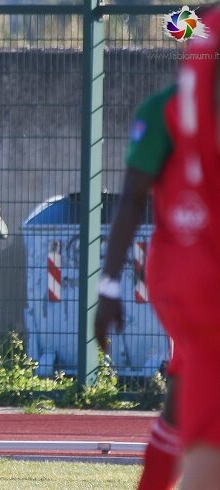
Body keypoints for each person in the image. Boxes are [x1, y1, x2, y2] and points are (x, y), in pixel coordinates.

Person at [95, 10, 220, 487]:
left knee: (177, 409)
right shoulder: (165, 113)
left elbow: (175, 24)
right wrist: (108, 285)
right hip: (196, 280)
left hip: (190, 282)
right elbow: (130, 202)